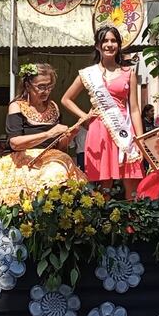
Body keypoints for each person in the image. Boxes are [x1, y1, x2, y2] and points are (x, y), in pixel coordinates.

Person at [61, 26, 144, 200]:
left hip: (124, 129)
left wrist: (141, 139)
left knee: (131, 180)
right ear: (97, 45)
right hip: (99, 129)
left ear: (119, 45)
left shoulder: (129, 73)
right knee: (102, 184)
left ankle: (133, 224)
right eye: (105, 41)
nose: (109, 44)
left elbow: (135, 108)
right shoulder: (87, 74)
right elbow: (66, 99)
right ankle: (103, 224)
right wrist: (84, 117)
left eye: (113, 40)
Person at [0, 63, 85, 205]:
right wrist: (48, 134)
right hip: (23, 160)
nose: (46, 91)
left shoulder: (54, 107)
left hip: (52, 158)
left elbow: (60, 149)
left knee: (64, 171)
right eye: (41, 86)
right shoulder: (17, 106)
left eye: (49, 86)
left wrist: (69, 136)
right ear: (28, 86)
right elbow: (15, 143)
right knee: (55, 173)